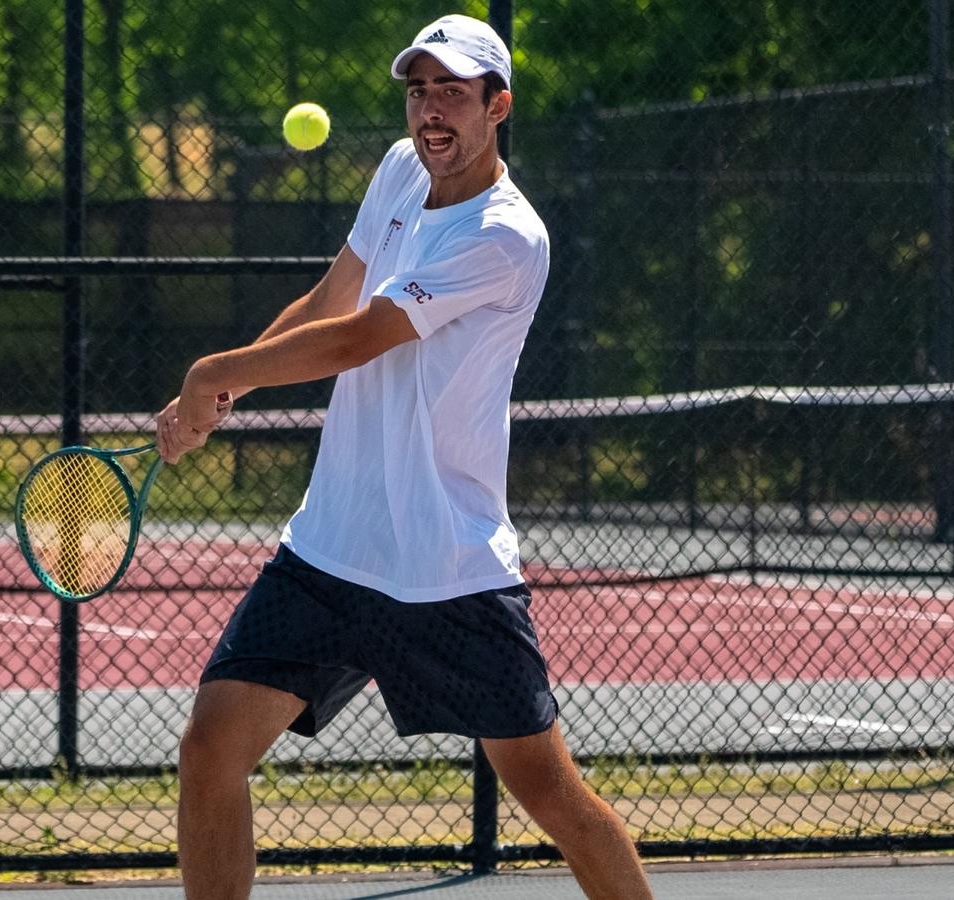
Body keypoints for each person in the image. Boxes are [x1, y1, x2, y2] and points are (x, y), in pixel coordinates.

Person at [154, 14, 653, 900]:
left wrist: (212, 370)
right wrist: (227, 399)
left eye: (453, 92)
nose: (431, 110)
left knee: (550, 794)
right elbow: (332, 295)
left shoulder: (506, 235)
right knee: (211, 749)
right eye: (419, 90)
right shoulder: (395, 170)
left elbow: (362, 338)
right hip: (330, 550)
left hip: (445, 567)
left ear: (498, 107)